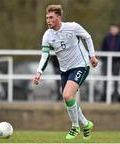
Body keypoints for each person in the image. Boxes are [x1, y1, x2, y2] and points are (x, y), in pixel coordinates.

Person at [33, 4, 98, 140]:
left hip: (81, 65)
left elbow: (88, 37)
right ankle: (86, 124)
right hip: (65, 70)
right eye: (46, 18)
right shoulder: (47, 35)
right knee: (68, 98)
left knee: (67, 95)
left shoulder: (73, 27)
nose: (48, 20)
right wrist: (39, 72)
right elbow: (45, 55)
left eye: (51, 17)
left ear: (58, 17)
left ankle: (75, 126)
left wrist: (92, 55)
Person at [100, 23, 120, 101]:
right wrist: (103, 59)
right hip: (106, 61)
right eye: (112, 29)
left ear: (118, 29)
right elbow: (102, 48)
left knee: (115, 79)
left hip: (117, 61)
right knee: (105, 79)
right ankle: (104, 96)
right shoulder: (106, 37)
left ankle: (115, 97)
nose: (113, 30)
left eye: (115, 29)